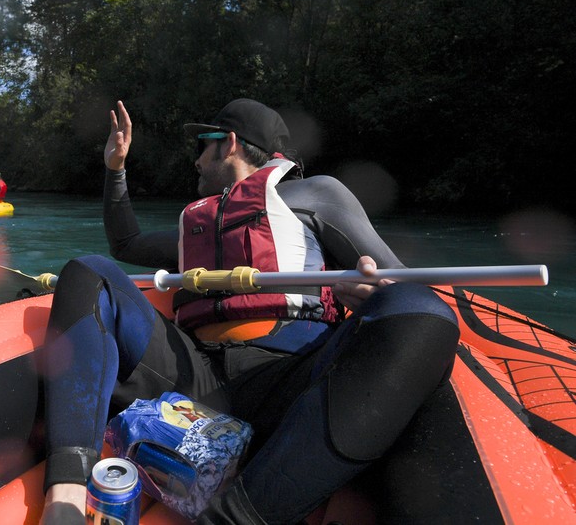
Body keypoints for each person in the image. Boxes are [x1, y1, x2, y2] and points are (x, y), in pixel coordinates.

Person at [39, 100, 460, 525]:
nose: (197, 160)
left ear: (230, 145)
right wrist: (115, 169)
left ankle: (233, 518)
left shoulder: (317, 194)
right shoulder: (199, 222)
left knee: (420, 312)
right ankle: (65, 501)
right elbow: (125, 245)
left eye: (203, 146)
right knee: (89, 271)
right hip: (191, 379)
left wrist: (376, 294)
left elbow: (403, 280)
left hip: (289, 381)